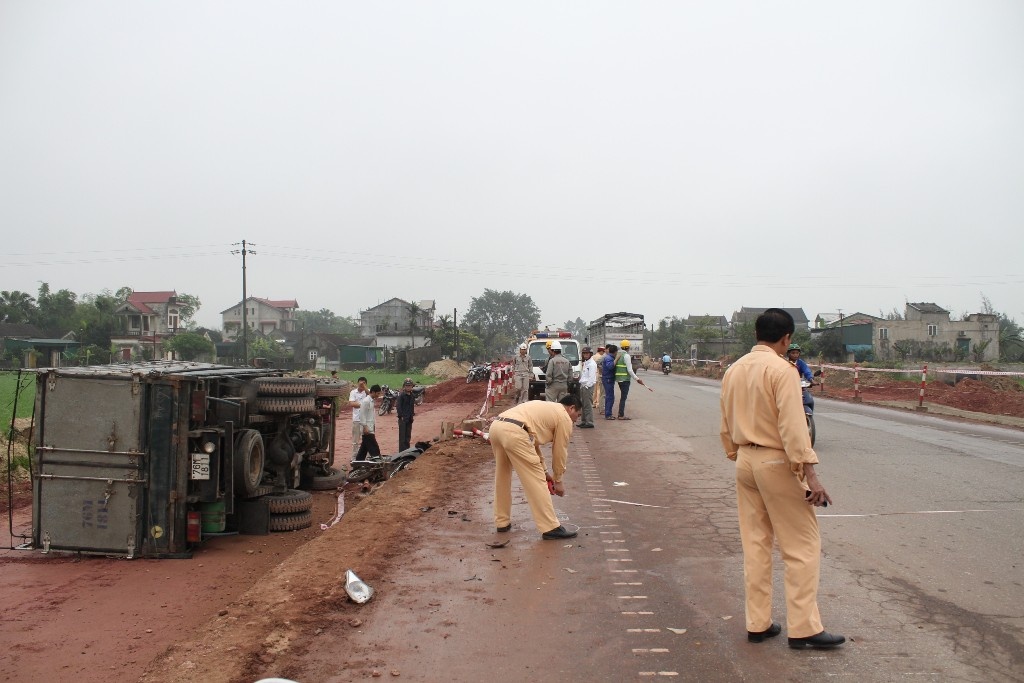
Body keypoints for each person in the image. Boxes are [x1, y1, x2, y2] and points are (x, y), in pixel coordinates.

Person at [719, 308, 845, 650]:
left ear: (757, 334)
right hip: (775, 462)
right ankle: (804, 628)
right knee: (802, 546)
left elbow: (725, 419)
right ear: (786, 338)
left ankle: (757, 623)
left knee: (756, 545)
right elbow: (793, 427)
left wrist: (737, 453)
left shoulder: (734, 370)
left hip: (744, 459)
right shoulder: (782, 370)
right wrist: (811, 476)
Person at [489, 394, 582, 540]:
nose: (577, 419)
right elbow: (560, 451)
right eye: (578, 414)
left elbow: (532, 441)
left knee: (502, 476)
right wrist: (558, 480)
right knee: (536, 481)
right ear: (571, 408)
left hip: (496, 427)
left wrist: (546, 472)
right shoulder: (564, 418)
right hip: (516, 432)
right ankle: (550, 527)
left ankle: (502, 522)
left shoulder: (547, 409)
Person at [613, 339, 645, 420]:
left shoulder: (618, 355)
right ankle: (621, 415)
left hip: (619, 379)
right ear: (628, 347)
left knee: (623, 397)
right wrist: (637, 379)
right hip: (625, 380)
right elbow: (630, 370)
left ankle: (620, 414)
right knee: (623, 397)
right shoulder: (626, 356)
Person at [353, 384, 382, 462]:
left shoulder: (371, 401)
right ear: (373, 392)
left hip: (370, 427)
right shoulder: (366, 401)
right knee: (374, 447)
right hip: (367, 429)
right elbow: (362, 414)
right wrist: (365, 427)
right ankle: (377, 462)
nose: (378, 395)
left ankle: (358, 462)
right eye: (378, 393)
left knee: (364, 448)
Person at [787, 343, 815, 412]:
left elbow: (806, 370)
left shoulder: (801, 363)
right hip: (787, 387)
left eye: (797, 353)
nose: (795, 355)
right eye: (793, 353)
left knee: (809, 399)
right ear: (788, 354)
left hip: (799, 386)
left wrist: (811, 380)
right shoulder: (784, 363)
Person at [347, 376, 369, 458]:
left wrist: (364, 387)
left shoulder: (367, 392)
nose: (361, 385)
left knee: (367, 439)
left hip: (366, 420)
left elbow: (370, 396)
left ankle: (366, 456)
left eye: (363, 383)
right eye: (360, 383)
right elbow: (352, 404)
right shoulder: (353, 392)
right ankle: (354, 457)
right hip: (356, 419)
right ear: (357, 383)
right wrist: (363, 404)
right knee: (355, 440)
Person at [576, 347, 597, 428]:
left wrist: (587, 386)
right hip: (583, 386)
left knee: (588, 404)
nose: (585, 355)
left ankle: (589, 422)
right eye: (584, 353)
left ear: (590, 354)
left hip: (588, 386)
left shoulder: (592, 364)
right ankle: (584, 421)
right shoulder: (586, 363)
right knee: (583, 404)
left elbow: (591, 378)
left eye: (587, 353)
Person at [396, 378, 416, 451]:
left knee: (408, 437)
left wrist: (412, 416)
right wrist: (401, 416)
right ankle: (402, 453)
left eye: (410, 385)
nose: (408, 387)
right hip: (403, 419)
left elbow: (412, 406)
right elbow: (398, 407)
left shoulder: (412, 396)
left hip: (409, 418)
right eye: (407, 385)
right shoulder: (401, 396)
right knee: (402, 438)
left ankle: (407, 451)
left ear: (412, 386)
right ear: (404, 386)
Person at [601, 344, 618, 419]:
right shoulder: (609, 358)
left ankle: (608, 413)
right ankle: (608, 414)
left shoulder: (609, 357)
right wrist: (616, 360)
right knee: (610, 397)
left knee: (609, 396)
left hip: (608, 378)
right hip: (608, 379)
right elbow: (610, 366)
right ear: (615, 352)